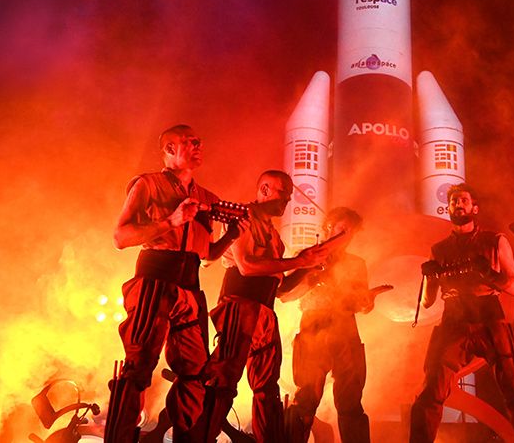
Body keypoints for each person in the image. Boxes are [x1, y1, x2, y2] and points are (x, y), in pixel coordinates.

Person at [105, 125, 244, 443]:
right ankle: (120, 438)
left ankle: (187, 438)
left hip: (190, 284)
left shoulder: (207, 197)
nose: (198, 145)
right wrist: (172, 221)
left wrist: (233, 235)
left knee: (196, 372)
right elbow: (120, 237)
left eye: (200, 141)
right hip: (155, 279)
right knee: (139, 366)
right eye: (189, 141)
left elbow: (207, 256)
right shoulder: (147, 184)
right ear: (169, 149)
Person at [192, 170, 344, 443]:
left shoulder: (275, 236)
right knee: (223, 382)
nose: (287, 199)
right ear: (263, 189)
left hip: (264, 313)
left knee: (266, 388)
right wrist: (299, 262)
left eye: (288, 194)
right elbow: (247, 267)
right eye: (282, 191)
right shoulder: (243, 218)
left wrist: (310, 268)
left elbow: (282, 289)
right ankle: (199, 438)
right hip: (239, 307)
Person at [410, 184, 514, 443]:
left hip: (489, 314)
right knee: (431, 389)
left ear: (474, 208)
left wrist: (489, 274)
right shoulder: (439, 249)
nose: (458, 204)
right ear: (448, 208)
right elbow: (426, 302)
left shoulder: (495, 241)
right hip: (454, 316)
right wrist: (429, 277)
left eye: (464, 200)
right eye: (454, 201)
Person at [279, 207, 393, 443]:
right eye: (340, 229)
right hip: (314, 323)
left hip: (346, 328)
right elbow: (285, 295)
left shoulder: (356, 263)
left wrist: (367, 302)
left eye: (349, 233)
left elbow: (360, 304)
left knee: (351, 401)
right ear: (327, 227)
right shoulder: (307, 255)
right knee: (307, 397)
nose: (343, 236)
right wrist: (313, 275)